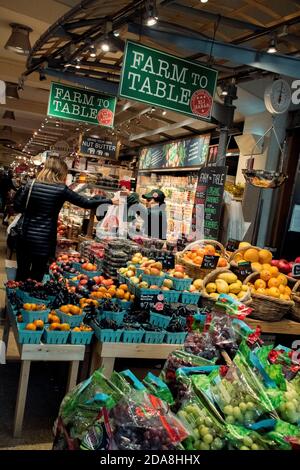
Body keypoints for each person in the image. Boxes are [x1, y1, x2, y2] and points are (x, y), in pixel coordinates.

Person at [13, 156, 117, 281]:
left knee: (21, 272)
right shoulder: (61, 189)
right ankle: (30, 298)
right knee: (37, 274)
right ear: (61, 172)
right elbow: (86, 203)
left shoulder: (31, 184)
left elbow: (17, 207)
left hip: (25, 237)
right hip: (44, 240)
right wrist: (110, 200)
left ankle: (16, 297)